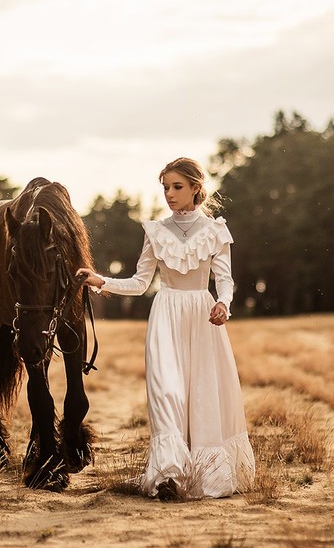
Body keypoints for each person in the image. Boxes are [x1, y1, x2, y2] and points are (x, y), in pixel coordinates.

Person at [78, 157, 255, 500]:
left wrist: (224, 304)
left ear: (195, 189)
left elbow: (226, 281)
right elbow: (141, 281)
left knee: (202, 397)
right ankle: (168, 478)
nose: (169, 194)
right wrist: (101, 281)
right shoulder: (155, 232)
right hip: (166, 317)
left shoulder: (216, 231)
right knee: (166, 394)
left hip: (203, 318)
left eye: (177, 187)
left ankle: (206, 474)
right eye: (165, 188)